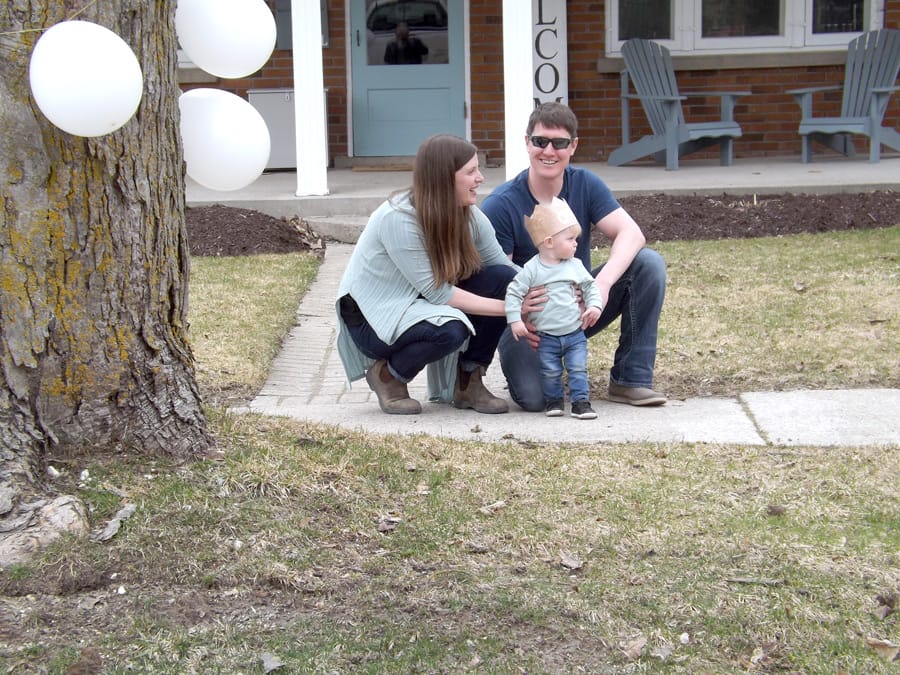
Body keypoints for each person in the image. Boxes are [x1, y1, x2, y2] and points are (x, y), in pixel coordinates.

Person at [481, 102, 667, 411]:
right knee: (537, 400)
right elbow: (495, 279)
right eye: (540, 141)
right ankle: (544, 367)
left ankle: (630, 380)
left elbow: (632, 234)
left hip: (578, 308)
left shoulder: (585, 184)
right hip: (530, 323)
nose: (549, 151)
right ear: (527, 142)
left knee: (648, 265)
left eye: (560, 143)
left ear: (573, 146)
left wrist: (603, 286)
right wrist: (524, 317)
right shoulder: (502, 204)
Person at [335, 134, 516, 415]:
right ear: (444, 178)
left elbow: (505, 268)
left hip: (416, 304)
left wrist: (550, 286)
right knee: (450, 329)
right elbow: (439, 293)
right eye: (470, 172)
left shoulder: (469, 215)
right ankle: (388, 377)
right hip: (372, 318)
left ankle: (469, 382)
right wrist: (511, 309)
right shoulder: (398, 218)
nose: (480, 178)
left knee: (503, 279)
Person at [506, 198, 604, 419]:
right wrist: (515, 319)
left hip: (574, 333)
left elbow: (590, 287)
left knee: (578, 368)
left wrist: (594, 306)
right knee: (550, 371)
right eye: (570, 238)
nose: (576, 243)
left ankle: (581, 403)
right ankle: (554, 401)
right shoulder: (532, 269)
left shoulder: (575, 266)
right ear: (549, 242)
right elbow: (514, 292)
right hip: (546, 336)